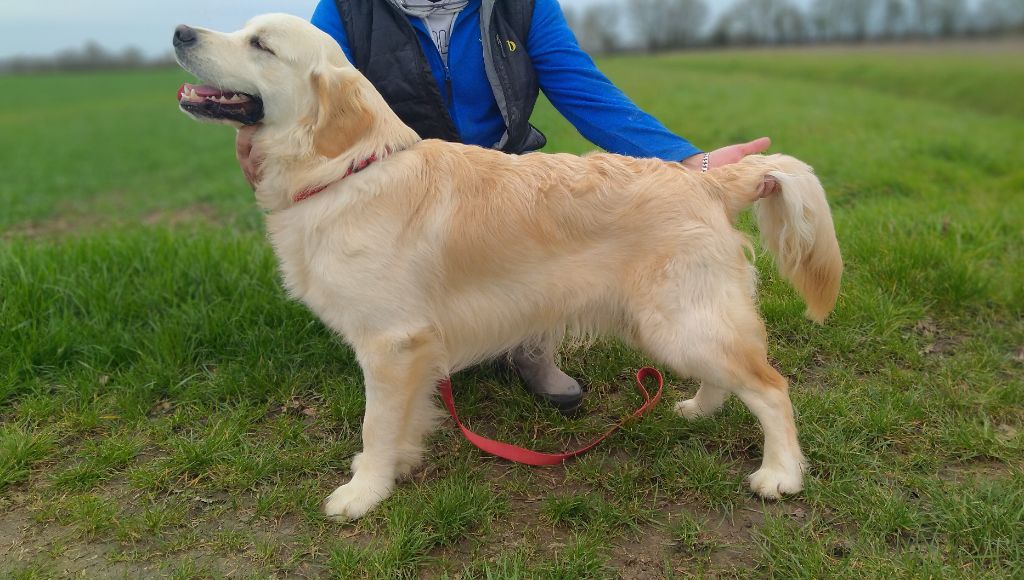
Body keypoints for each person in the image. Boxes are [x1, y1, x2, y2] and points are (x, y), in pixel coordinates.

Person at [236, 0, 776, 414]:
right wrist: (255, 127)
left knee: (537, 268)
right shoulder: (347, 8)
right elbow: (298, 87)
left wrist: (687, 161)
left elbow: (580, 84)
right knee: (403, 316)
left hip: (498, 174)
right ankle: (422, 331)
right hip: (392, 187)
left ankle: (529, 348)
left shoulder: (522, 3)